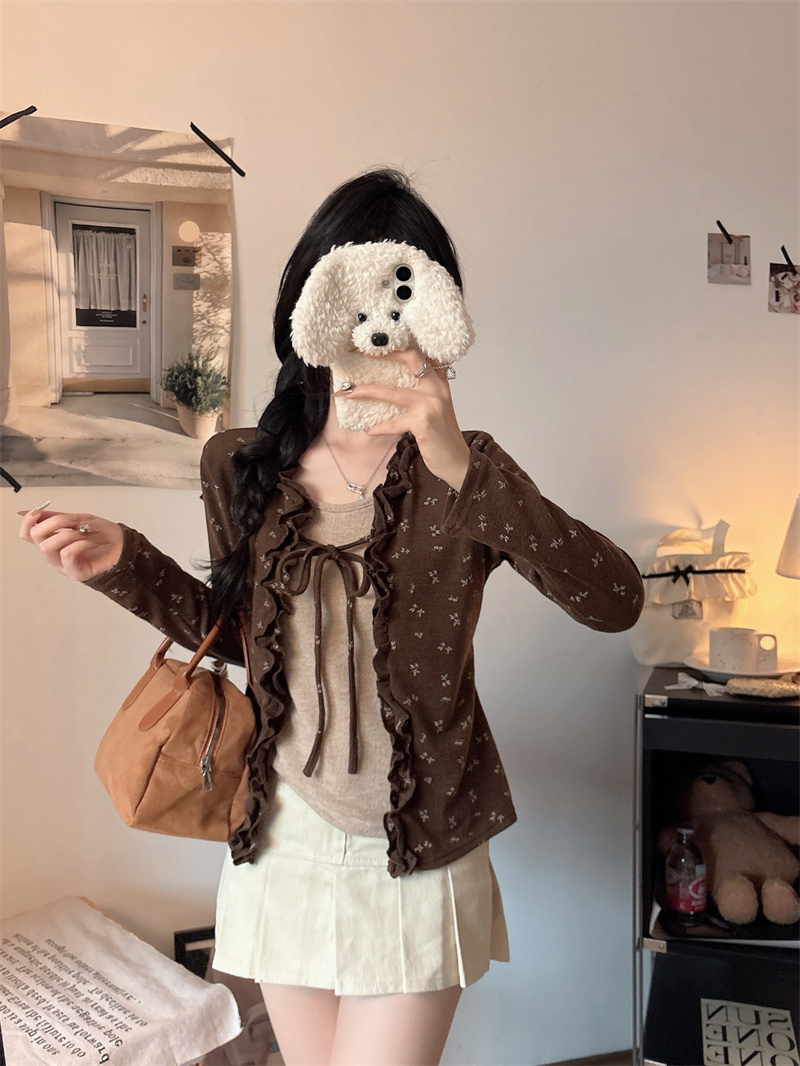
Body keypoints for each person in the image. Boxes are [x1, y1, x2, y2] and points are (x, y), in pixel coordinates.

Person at [19, 169, 644, 1066]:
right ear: (310, 308)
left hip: (416, 843)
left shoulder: (466, 470)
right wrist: (128, 567)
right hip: (283, 837)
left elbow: (615, 601)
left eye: (403, 295)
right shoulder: (242, 463)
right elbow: (252, 647)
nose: (375, 328)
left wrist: (457, 462)